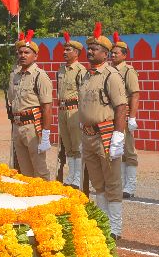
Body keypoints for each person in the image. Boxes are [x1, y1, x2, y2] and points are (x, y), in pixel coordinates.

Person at [79, 24, 129, 237]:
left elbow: (121, 107)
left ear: (106, 53)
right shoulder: (87, 76)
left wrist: (118, 136)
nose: (90, 51)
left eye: (95, 49)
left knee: (112, 181)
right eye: (89, 48)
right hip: (88, 134)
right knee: (97, 182)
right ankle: (103, 222)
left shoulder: (112, 75)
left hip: (106, 134)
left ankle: (115, 227)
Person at [7, 32, 54, 179]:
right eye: (20, 52)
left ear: (35, 56)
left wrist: (46, 134)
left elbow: (47, 107)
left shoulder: (40, 76)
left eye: (27, 52)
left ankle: (47, 199)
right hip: (17, 126)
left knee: (40, 169)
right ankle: (30, 199)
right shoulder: (15, 75)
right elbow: (11, 100)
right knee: (24, 171)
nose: (22, 55)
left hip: (33, 127)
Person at [110, 35, 143, 197]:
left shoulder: (128, 71)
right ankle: (121, 182)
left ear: (124, 55)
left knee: (129, 151)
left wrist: (132, 117)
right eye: (112, 52)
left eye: (116, 53)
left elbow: (134, 94)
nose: (113, 55)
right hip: (112, 116)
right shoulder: (109, 70)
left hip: (124, 115)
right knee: (117, 150)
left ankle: (130, 185)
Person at [57, 32, 88, 187]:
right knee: (68, 145)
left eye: (68, 50)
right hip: (62, 109)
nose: (64, 52)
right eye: (64, 49)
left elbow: (83, 93)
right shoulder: (61, 70)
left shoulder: (80, 70)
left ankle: (78, 176)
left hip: (74, 109)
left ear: (76, 53)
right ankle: (71, 174)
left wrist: (83, 116)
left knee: (76, 144)